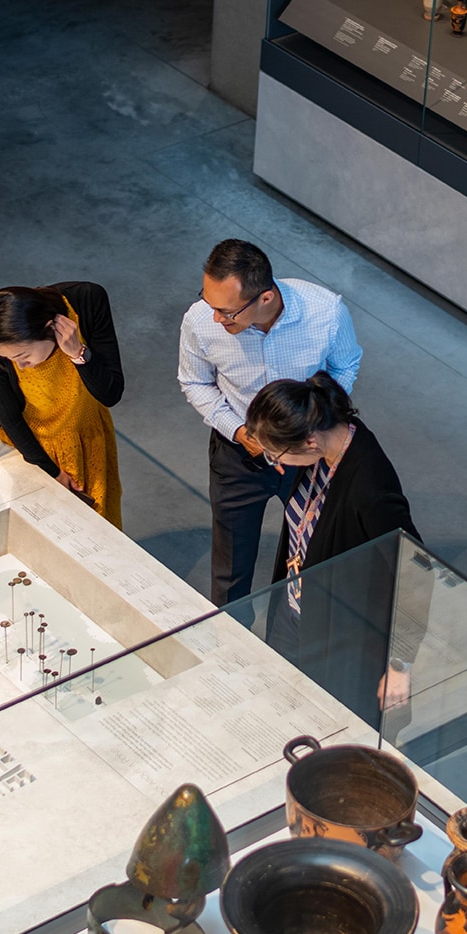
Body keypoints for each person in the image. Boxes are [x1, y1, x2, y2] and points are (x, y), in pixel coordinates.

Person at [178, 239, 362, 604]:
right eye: (208, 301)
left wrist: (314, 419)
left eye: (227, 311)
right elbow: (194, 381)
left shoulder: (326, 312)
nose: (216, 318)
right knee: (230, 566)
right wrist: (240, 431)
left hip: (308, 453)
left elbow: (345, 364)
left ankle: (294, 635)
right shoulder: (200, 321)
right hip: (239, 454)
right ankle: (228, 643)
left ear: (265, 297)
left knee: (312, 553)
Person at [245, 373, 422, 721]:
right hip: (294, 610)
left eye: (274, 453)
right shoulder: (325, 442)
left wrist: (400, 663)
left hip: (337, 633)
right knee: (279, 704)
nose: (275, 462)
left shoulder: (371, 491)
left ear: (309, 441)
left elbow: (414, 568)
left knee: (323, 721)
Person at [0, 283, 125, 527]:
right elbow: (7, 413)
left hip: (88, 433)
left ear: (48, 329)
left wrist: (78, 353)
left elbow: (110, 394)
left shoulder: (86, 300)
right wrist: (50, 470)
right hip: (33, 444)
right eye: (11, 360)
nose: (20, 366)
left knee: (100, 521)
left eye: (23, 357)